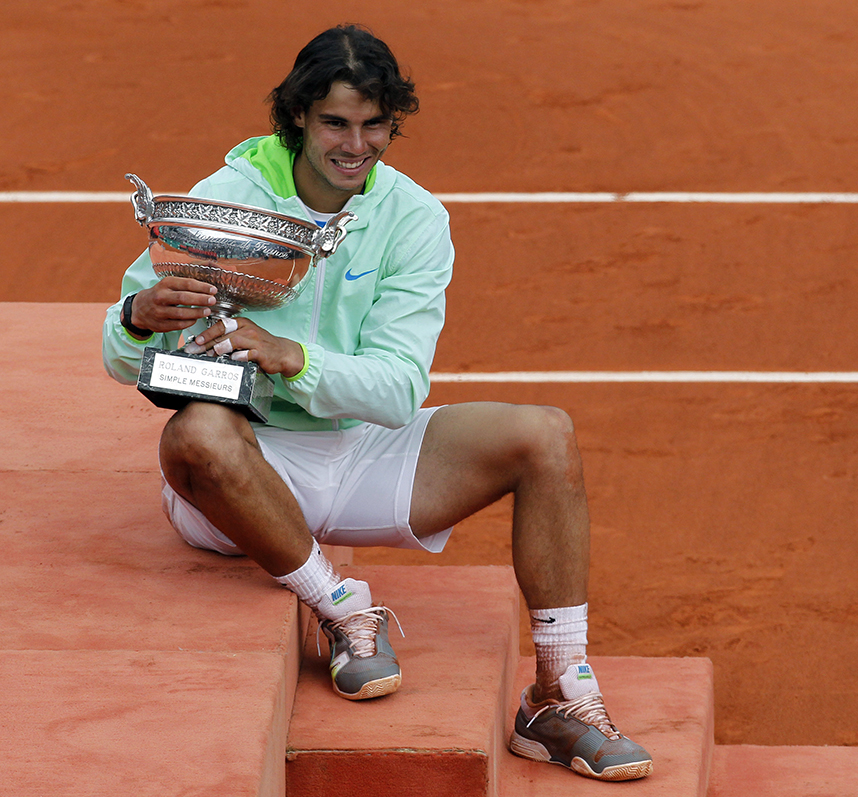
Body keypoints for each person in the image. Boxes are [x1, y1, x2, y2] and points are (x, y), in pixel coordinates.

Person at [100, 24, 651, 783]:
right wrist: (137, 319)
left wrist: (292, 356)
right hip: (248, 471)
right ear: (298, 115)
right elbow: (120, 356)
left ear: (393, 123)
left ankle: (558, 694)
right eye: (335, 123)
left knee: (545, 435)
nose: (355, 145)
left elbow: (397, 392)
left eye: (374, 125)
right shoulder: (223, 200)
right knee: (194, 435)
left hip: (364, 454)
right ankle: (340, 606)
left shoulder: (415, 218)